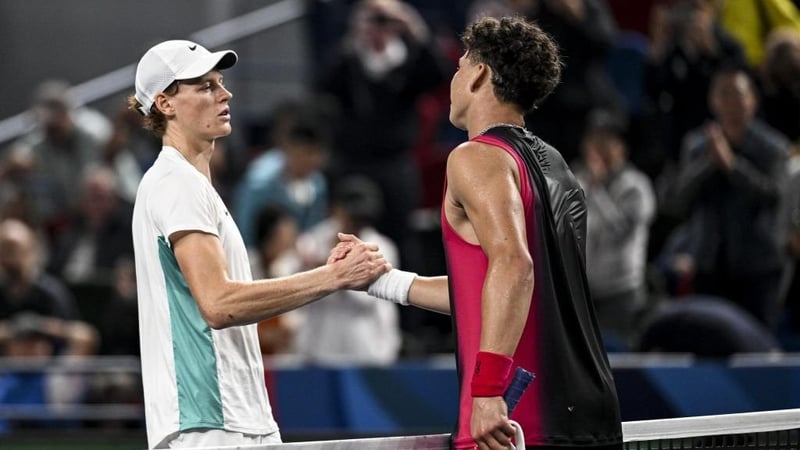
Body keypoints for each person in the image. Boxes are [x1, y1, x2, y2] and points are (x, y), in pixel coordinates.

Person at [338, 16, 622, 450]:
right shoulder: (558, 166)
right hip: (592, 411)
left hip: (516, 418)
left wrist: (489, 391)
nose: (453, 79)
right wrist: (384, 281)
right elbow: (499, 289)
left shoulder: (475, 157)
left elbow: (513, 265)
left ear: (479, 74)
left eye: (459, 67)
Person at [128, 39, 390, 449]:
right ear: (165, 103)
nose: (225, 94)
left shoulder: (186, 184)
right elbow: (219, 303)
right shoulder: (177, 184)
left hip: (233, 417)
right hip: (212, 421)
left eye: (220, 82)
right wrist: (334, 276)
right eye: (205, 86)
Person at [672, 65, 790, 330]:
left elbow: (773, 195)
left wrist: (732, 166)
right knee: (709, 340)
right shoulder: (696, 145)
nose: (731, 103)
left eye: (738, 94)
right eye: (723, 94)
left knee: (756, 344)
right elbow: (679, 198)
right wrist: (709, 164)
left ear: (752, 100)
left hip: (757, 265)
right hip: (708, 263)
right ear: (712, 101)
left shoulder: (774, 148)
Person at [572, 112, 657, 349]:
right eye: (593, 141)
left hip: (621, 294)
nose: (598, 149)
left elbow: (618, 233)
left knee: (618, 359)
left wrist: (596, 190)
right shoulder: (577, 180)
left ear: (621, 148)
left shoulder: (636, 186)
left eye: (606, 141)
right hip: (583, 294)